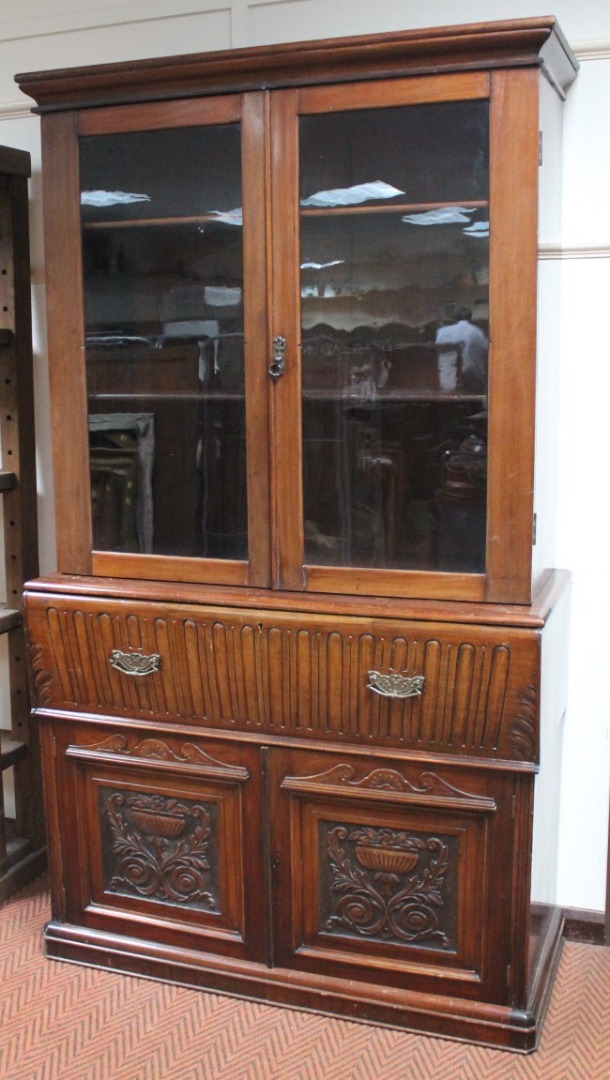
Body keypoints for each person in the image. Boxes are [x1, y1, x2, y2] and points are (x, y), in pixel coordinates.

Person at [435, 306, 488, 391]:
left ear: (456, 318)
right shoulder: (477, 332)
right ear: (470, 317)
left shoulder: (443, 331)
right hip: (471, 376)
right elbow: (485, 349)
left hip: (447, 380)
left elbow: (438, 346)